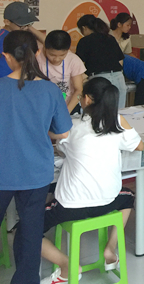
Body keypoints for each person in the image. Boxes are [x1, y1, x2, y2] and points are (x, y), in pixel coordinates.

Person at [40, 77, 143, 284]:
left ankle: (67, 265)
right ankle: (110, 249)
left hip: (71, 207)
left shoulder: (72, 126)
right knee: (128, 197)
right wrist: (119, 120)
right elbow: (139, 146)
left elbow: (60, 149)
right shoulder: (116, 124)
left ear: (86, 99)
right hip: (107, 202)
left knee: (28, 227)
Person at [0, 31, 72, 284]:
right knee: (31, 232)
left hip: (2, 171)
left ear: (6, 57)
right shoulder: (50, 90)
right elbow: (63, 132)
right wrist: (41, 129)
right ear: (37, 53)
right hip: (36, 172)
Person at [75, 15, 127, 109]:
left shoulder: (85, 41)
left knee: (101, 112)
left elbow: (78, 65)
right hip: (118, 77)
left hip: (99, 79)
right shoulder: (110, 38)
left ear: (84, 28)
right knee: (119, 111)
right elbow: (120, 60)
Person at [37, 30, 86, 115]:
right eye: (52, 55)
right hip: (44, 106)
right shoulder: (37, 58)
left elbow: (78, 90)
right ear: (44, 48)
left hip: (68, 106)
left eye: (62, 55)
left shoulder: (73, 60)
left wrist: (66, 113)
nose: (56, 59)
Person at [1, 0, 45, 77]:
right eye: (22, 24)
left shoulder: (23, 34)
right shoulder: (4, 37)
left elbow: (49, 44)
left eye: (29, 24)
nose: (26, 27)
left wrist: (28, 26)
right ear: (7, 22)